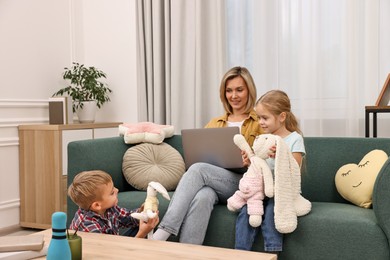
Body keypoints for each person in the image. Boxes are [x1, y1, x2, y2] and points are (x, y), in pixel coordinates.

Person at [153, 66, 263, 243]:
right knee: (203, 195)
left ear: (249, 90)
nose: (233, 95)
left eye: (239, 90)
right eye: (229, 90)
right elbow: (201, 157)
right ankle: (188, 254)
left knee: (198, 170)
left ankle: (163, 232)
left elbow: (269, 158)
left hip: (245, 184)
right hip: (216, 181)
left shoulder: (259, 121)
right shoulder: (215, 123)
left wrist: (251, 161)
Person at [235, 89, 306, 253]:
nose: (260, 122)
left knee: (272, 212)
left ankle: (271, 253)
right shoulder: (263, 140)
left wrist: (280, 156)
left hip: (282, 192)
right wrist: (249, 163)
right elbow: (260, 169)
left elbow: (295, 170)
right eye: (259, 117)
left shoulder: (294, 139)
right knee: (245, 212)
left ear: (282, 117)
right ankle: (239, 253)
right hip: (262, 190)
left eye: (265, 118)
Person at [68, 170, 159, 238]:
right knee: (142, 231)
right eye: (112, 193)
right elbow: (106, 254)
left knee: (141, 223)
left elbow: (129, 217)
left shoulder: (109, 209)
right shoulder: (88, 226)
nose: (117, 190)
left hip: (112, 245)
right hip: (102, 252)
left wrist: (142, 211)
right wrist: (142, 234)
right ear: (97, 205)